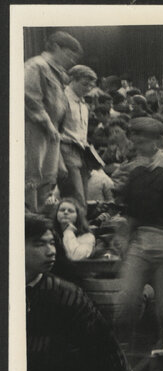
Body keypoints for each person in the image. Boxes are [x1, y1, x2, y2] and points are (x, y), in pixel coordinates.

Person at [25, 214, 135, 371]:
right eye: (39, 244)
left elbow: (105, 350)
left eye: (52, 242)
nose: (51, 250)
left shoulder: (66, 296)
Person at [114, 117, 163, 344]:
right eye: (136, 143)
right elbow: (130, 215)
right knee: (126, 301)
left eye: (142, 143)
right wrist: (123, 240)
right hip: (140, 244)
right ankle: (120, 354)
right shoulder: (136, 174)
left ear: (157, 142)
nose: (137, 148)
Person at [25, 31, 82, 212]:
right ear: (56, 47)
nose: (72, 60)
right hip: (35, 129)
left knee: (47, 181)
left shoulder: (57, 72)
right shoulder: (36, 66)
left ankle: (42, 226)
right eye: (69, 54)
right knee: (32, 179)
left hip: (51, 132)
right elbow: (30, 98)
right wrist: (49, 125)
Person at [58, 64, 99, 206]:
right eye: (85, 84)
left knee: (83, 197)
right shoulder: (62, 99)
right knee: (75, 196)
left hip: (81, 151)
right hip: (65, 149)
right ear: (72, 80)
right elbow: (53, 130)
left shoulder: (83, 103)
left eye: (91, 86)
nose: (88, 89)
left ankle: (81, 226)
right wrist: (58, 160)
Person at [49, 197, 95, 262]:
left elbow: (75, 256)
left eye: (70, 211)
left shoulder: (87, 236)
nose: (65, 212)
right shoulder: (50, 233)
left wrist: (68, 232)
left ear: (77, 216)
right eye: (62, 210)